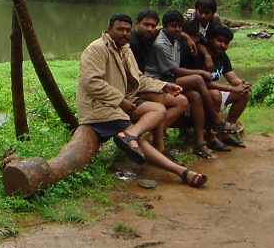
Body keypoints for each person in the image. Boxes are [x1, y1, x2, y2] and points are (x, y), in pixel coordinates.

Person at [77, 13, 208, 188]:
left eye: (127, 30)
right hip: (100, 108)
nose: (124, 33)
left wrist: (163, 86)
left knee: (158, 110)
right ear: (109, 30)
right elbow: (91, 82)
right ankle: (182, 172)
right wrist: (119, 100)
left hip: (121, 103)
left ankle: (130, 134)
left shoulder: (125, 49)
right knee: (141, 143)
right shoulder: (97, 49)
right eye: (120, 29)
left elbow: (139, 78)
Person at [145, 10, 225, 160]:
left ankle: (200, 142)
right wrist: (200, 72)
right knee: (198, 79)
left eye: (180, 26)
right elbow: (174, 70)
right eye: (173, 26)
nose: (177, 29)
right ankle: (216, 120)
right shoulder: (161, 44)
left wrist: (185, 36)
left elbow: (192, 37)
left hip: (169, 79)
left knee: (194, 96)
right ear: (165, 27)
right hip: (159, 81)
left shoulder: (175, 38)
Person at [130, 10, 189, 157]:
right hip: (134, 88)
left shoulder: (151, 35)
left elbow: (166, 29)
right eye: (146, 25)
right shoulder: (131, 43)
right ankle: (159, 146)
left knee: (181, 101)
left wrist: (186, 36)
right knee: (159, 98)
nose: (149, 29)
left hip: (145, 82)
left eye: (153, 26)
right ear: (137, 24)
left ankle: (151, 137)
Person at [181, 26, 250, 148]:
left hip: (213, 92)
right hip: (197, 94)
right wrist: (230, 88)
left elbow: (232, 78)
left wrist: (241, 84)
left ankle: (226, 130)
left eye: (226, 43)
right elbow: (201, 82)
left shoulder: (222, 56)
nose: (222, 45)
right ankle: (211, 135)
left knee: (243, 94)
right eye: (220, 40)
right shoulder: (197, 55)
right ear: (211, 39)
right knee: (215, 93)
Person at [183, 0, 223, 71]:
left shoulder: (216, 20)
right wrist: (187, 37)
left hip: (204, 44)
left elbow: (219, 36)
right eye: (200, 12)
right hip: (187, 47)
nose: (203, 16)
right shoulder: (187, 19)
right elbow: (175, 29)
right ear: (196, 10)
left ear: (213, 13)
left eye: (207, 13)